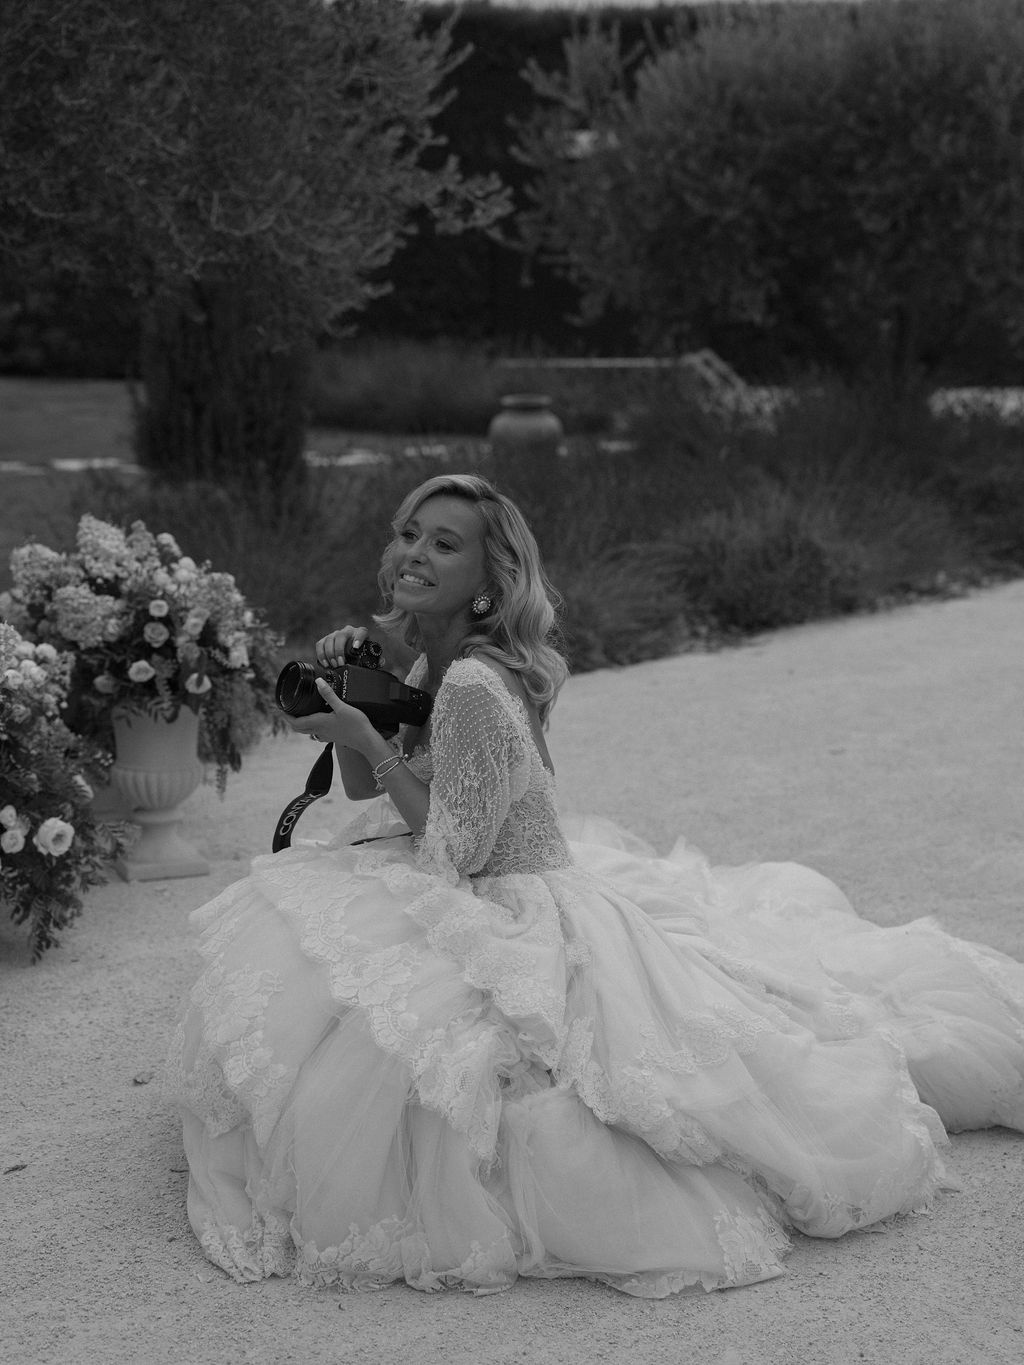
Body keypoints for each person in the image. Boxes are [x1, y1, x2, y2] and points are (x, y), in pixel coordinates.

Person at [165, 472, 1024, 1297]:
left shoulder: (468, 679)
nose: (415, 551)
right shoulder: (437, 664)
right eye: (408, 534)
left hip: (513, 896)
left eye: (445, 542)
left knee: (507, 1077)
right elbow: (363, 790)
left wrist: (363, 726)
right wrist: (354, 709)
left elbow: (452, 852)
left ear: (488, 585)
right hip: (486, 871)